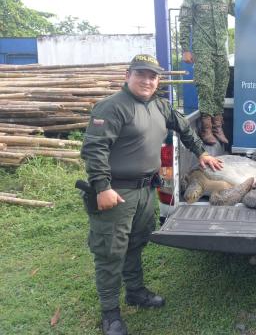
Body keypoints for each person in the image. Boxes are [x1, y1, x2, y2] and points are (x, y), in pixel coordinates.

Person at [81, 54, 223, 335]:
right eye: (141, 74)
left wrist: (201, 152)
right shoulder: (112, 107)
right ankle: (110, 314)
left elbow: (184, 128)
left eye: (153, 76)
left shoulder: (160, 106)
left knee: (136, 242)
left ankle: (135, 291)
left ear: (158, 81)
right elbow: (95, 149)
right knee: (111, 251)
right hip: (117, 191)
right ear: (127, 75)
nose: (147, 81)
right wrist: (102, 187)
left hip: (146, 189)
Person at [179, 0, 235, 145]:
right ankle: (206, 128)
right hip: (202, 51)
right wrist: (185, 49)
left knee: (220, 88)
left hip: (221, 52)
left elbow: (243, 12)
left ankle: (218, 126)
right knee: (205, 88)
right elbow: (185, 23)